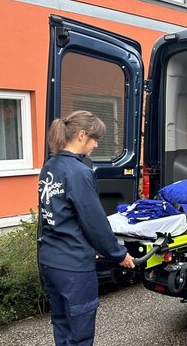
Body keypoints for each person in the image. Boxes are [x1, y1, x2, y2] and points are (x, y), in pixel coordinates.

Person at [38, 110, 135, 346]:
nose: (96, 144)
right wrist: (118, 253)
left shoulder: (50, 166)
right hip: (73, 268)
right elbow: (94, 222)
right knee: (80, 334)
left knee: (62, 326)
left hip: (50, 261)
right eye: (94, 138)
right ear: (81, 135)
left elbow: (49, 216)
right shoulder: (79, 172)